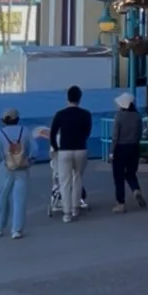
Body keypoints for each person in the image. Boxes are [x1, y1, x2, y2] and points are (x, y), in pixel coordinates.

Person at [49, 85, 92, 223]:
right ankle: (76, 209)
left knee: (65, 182)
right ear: (80, 99)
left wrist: (56, 147)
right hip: (80, 149)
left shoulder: (60, 114)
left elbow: (53, 132)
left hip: (65, 151)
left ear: (67, 98)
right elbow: (87, 131)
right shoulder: (86, 114)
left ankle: (66, 213)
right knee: (77, 178)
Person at [0, 109, 31, 239]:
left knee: (2, 197)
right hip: (22, 168)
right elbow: (34, 150)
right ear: (18, 119)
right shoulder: (25, 131)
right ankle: (17, 230)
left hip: (6, 168)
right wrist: (27, 161)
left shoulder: (0, 134)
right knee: (20, 199)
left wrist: (0, 166)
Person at [110, 92, 147, 213]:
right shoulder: (137, 116)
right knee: (130, 173)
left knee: (118, 176)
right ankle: (136, 189)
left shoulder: (119, 116)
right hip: (134, 147)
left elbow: (115, 136)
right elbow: (140, 134)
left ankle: (120, 204)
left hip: (120, 148)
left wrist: (112, 151)